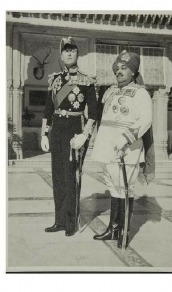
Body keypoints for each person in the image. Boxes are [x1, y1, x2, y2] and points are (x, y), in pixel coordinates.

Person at [91, 50, 155, 248]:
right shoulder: (111, 91)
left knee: (125, 188)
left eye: (124, 68)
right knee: (113, 187)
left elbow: (145, 120)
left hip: (126, 148)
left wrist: (126, 138)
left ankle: (124, 232)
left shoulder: (140, 93)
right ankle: (113, 228)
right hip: (107, 147)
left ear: (133, 72)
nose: (119, 71)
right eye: (117, 68)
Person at [41, 36, 97, 236]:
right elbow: (48, 110)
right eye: (66, 50)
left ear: (77, 53)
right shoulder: (54, 79)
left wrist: (85, 134)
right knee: (58, 177)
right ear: (61, 54)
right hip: (57, 131)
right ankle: (59, 221)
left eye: (73, 50)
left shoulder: (86, 80)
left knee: (71, 177)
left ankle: (71, 223)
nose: (69, 53)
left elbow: (95, 113)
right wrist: (45, 134)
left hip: (75, 130)